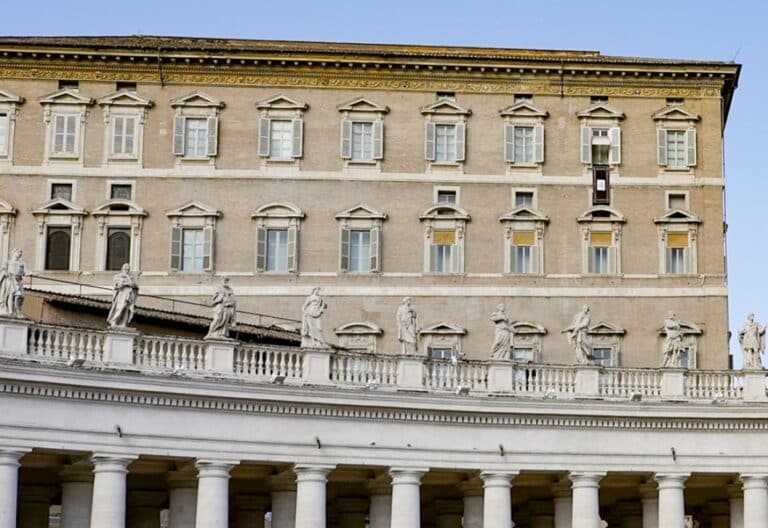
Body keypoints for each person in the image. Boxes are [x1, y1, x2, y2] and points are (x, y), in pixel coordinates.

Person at [106, 263, 138, 328]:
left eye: (128, 269)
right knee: (120, 307)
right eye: (125, 268)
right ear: (122, 269)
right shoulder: (118, 276)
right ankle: (114, 321)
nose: (127, 270)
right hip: (122, 294)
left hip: (129, 294)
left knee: (126, 308)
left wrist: (130, 284)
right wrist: (125, 283)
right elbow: (117, 285)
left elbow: (135, 286)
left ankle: (124, 323)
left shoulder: (131, 278)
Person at [0, 249, 27, 318]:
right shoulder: (8, 262)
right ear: (14, 253)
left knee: (19, 295)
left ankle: (17, 311)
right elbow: (3, 270)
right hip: (10, 280)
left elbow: (25, 272)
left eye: (21, 253)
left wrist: (32, 273)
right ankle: (10, 311)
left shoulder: (22, 264)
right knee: (11, 294)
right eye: (18, 252)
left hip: (18, 281)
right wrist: (7, 273)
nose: (20, 254)